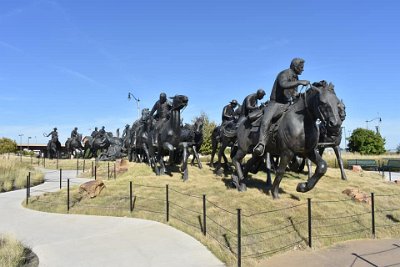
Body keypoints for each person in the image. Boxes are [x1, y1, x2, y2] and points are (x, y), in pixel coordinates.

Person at [253, 58, 310, 156]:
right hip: (275, 103)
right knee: (266, 120)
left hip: (287, 104)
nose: (302, 69)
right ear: (295, 66)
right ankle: (261, 143)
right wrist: (299, 82)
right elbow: (283, 84)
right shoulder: (284, 73)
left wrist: (298, 95)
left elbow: (293, 92)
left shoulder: (296, 78)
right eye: (301, 67)